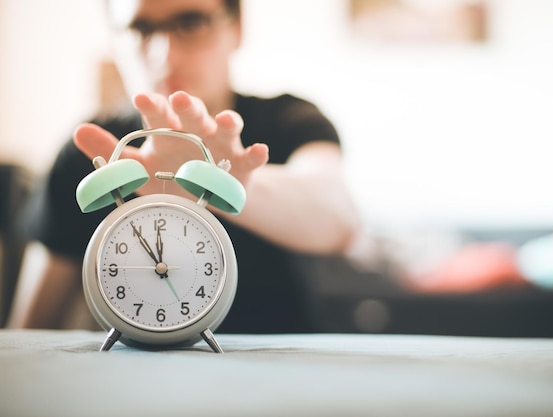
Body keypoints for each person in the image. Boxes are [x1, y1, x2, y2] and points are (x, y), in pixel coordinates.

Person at [8, 0, 360, 332]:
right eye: (139, 28)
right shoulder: (89, 153)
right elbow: (30, 331)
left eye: (191, 22)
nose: (164, 54)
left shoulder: (290, 120)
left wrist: (229, 188)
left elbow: (339, 217)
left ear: (236, 27)